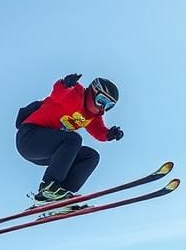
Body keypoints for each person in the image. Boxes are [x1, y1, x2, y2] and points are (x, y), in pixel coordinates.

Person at [15, 74, 124, 209]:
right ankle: (49, 189)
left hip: (48, 151)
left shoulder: (92, 116)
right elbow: (58, 93)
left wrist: (109, 134)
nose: (102, 108)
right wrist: (65, 84)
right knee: (74, 139)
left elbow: (98, 131)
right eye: (101, 100)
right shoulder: (76, 94)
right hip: (29, 138)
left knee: (91, 156)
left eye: (109, 106)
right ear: (92, 92)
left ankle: (60, 197)